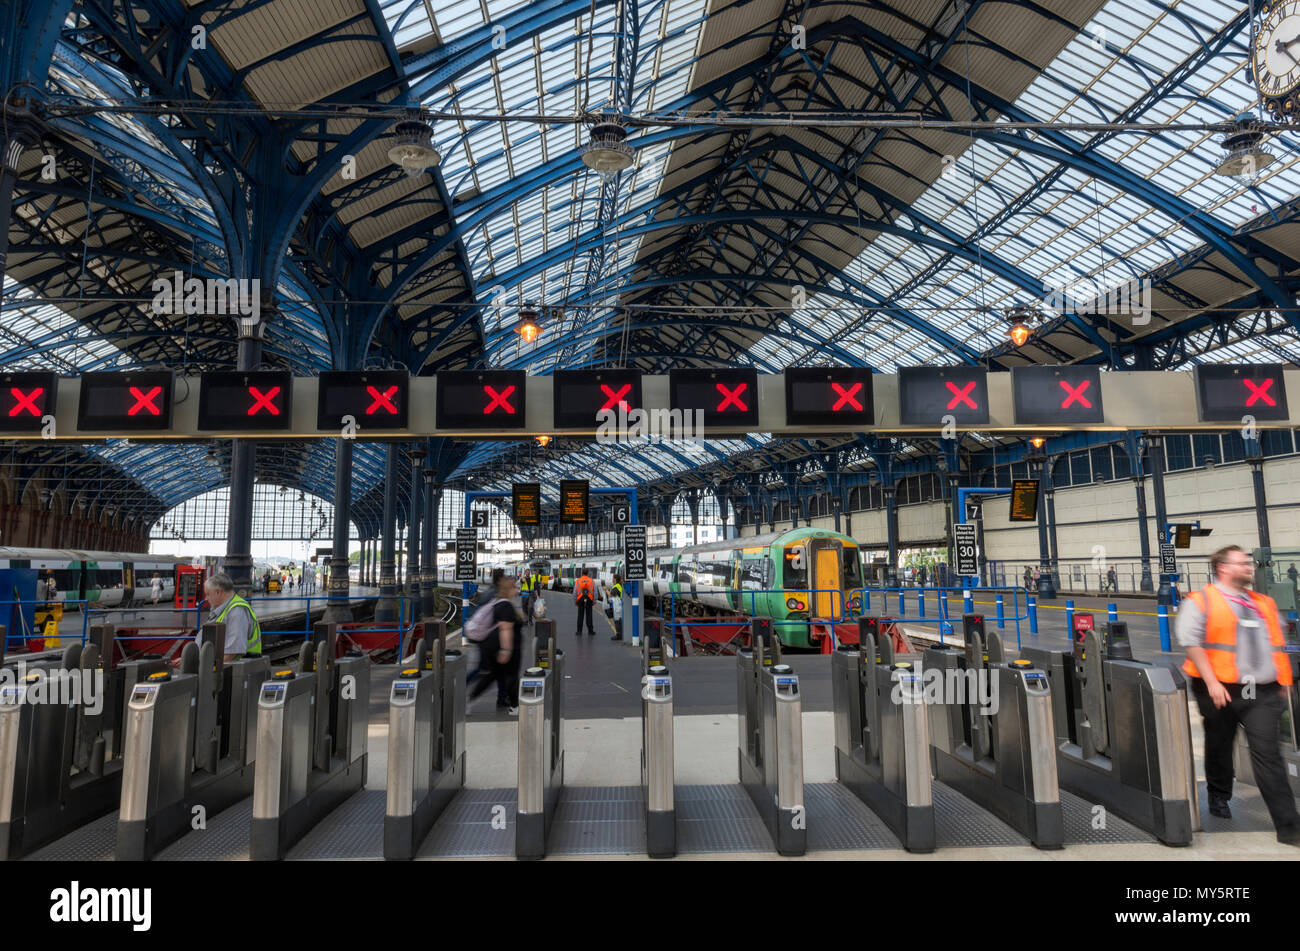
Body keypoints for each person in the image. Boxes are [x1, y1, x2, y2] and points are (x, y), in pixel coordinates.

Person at [1176, 545, 1299, 845]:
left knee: (1267, 754)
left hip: (1262, 689)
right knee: (1220, 743)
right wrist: (1212, 682)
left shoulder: (1263, 602)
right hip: (1219, 687)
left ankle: (1289, 827)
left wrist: (1283, 681)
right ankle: (1219, 794)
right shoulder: (1201, 600)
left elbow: (1277, 643)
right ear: (1223, 568)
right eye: (1242, 563)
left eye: (1248, 562)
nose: (1248, 566)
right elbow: (1191, 641)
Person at [468, 575, 520, 716]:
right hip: (502, 647)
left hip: (490, 646)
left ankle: (470, 700)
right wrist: (506, 649)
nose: (517, 590)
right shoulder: (506, 606)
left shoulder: (497, 601)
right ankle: (514, 706)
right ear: (509, 590)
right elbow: (505, 629)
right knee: (511, 676)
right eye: (515, 587)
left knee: (492, 675)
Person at [189, 572, 261, 665]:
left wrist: (205, 669)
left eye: (208, 594)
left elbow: (232, 653)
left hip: (233, 671)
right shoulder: (222, 608)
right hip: (216, 666)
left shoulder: (237, 611)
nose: (206, 598)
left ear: (218, 592)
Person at [574, 569, 597, 636]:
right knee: (589, 615)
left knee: (580, 615)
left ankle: (579, 631)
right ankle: (590, 631)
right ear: (588, 573)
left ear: (582, 573)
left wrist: (575, 601)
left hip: (580, 599)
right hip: (589, 599)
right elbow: (595, 592)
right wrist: (594, 600)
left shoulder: (578, 581)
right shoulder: (592, 581)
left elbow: (574, 592)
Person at [607, 572, 625, 641]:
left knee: (617, 620)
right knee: (618, 620)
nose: (612, 579)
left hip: (617, 606)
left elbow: (610, 595)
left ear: (615, 579)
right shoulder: (619, 585)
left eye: (613, 578)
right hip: (618, 605)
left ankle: (618, 635)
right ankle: (619, 634)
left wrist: (606, 590)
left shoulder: (616, 586)